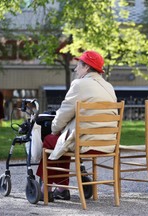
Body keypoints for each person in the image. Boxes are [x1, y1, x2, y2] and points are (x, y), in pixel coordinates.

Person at [36, 50, 117, 202]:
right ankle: (62, 189)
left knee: (51, 140)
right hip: (107, 143)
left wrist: (54, 128)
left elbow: (64, 113)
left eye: (78, 65)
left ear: (86, 67)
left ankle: (45, 189)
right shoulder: (109, 86)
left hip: (86, 143)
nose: (75, 69)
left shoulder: (79, 84)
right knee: (62, 142)